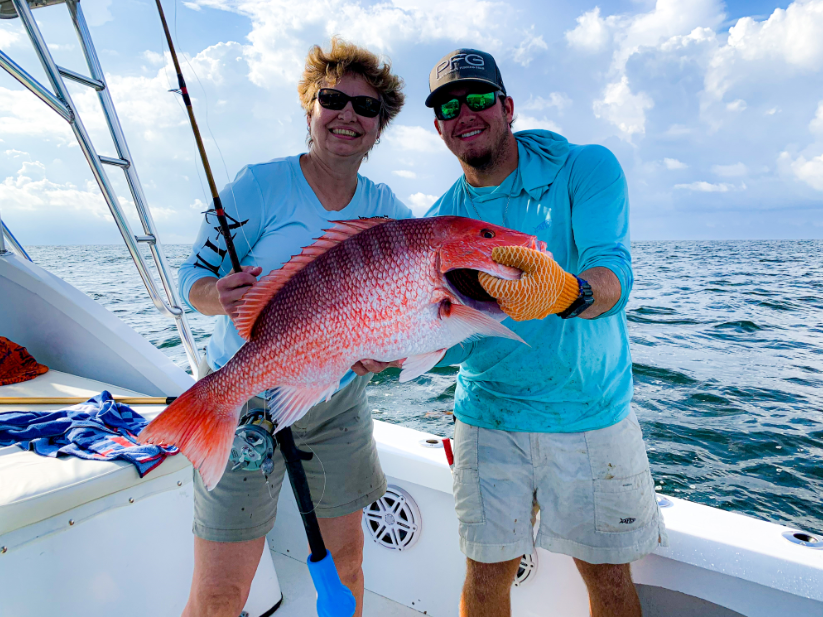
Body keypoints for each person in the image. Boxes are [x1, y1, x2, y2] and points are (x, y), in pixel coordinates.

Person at [423, 49, 667, 617]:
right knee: (484, 581)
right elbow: (434, 339)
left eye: (479, 98)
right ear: (439, 127)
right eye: (449, 106)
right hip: (488, 416)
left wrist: (569, 294)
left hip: (590, 413)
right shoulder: (440, 220)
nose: (466, 113)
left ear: (507, 107)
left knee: (608, 580)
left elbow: (614, 274)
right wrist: (376, 354)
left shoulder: (585, 167)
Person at [175, 38, 412, 617]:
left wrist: (384, 354)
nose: (348, 116)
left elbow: (400, 316)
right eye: (333, 99)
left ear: (380, 128)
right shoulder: (260, 186)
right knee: (220, 592)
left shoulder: (390, 213)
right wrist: (215, 294)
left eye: (367, 107)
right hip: (244, 393)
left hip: (335, 400)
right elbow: (193, 275)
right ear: (309, 109)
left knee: (349, 564)